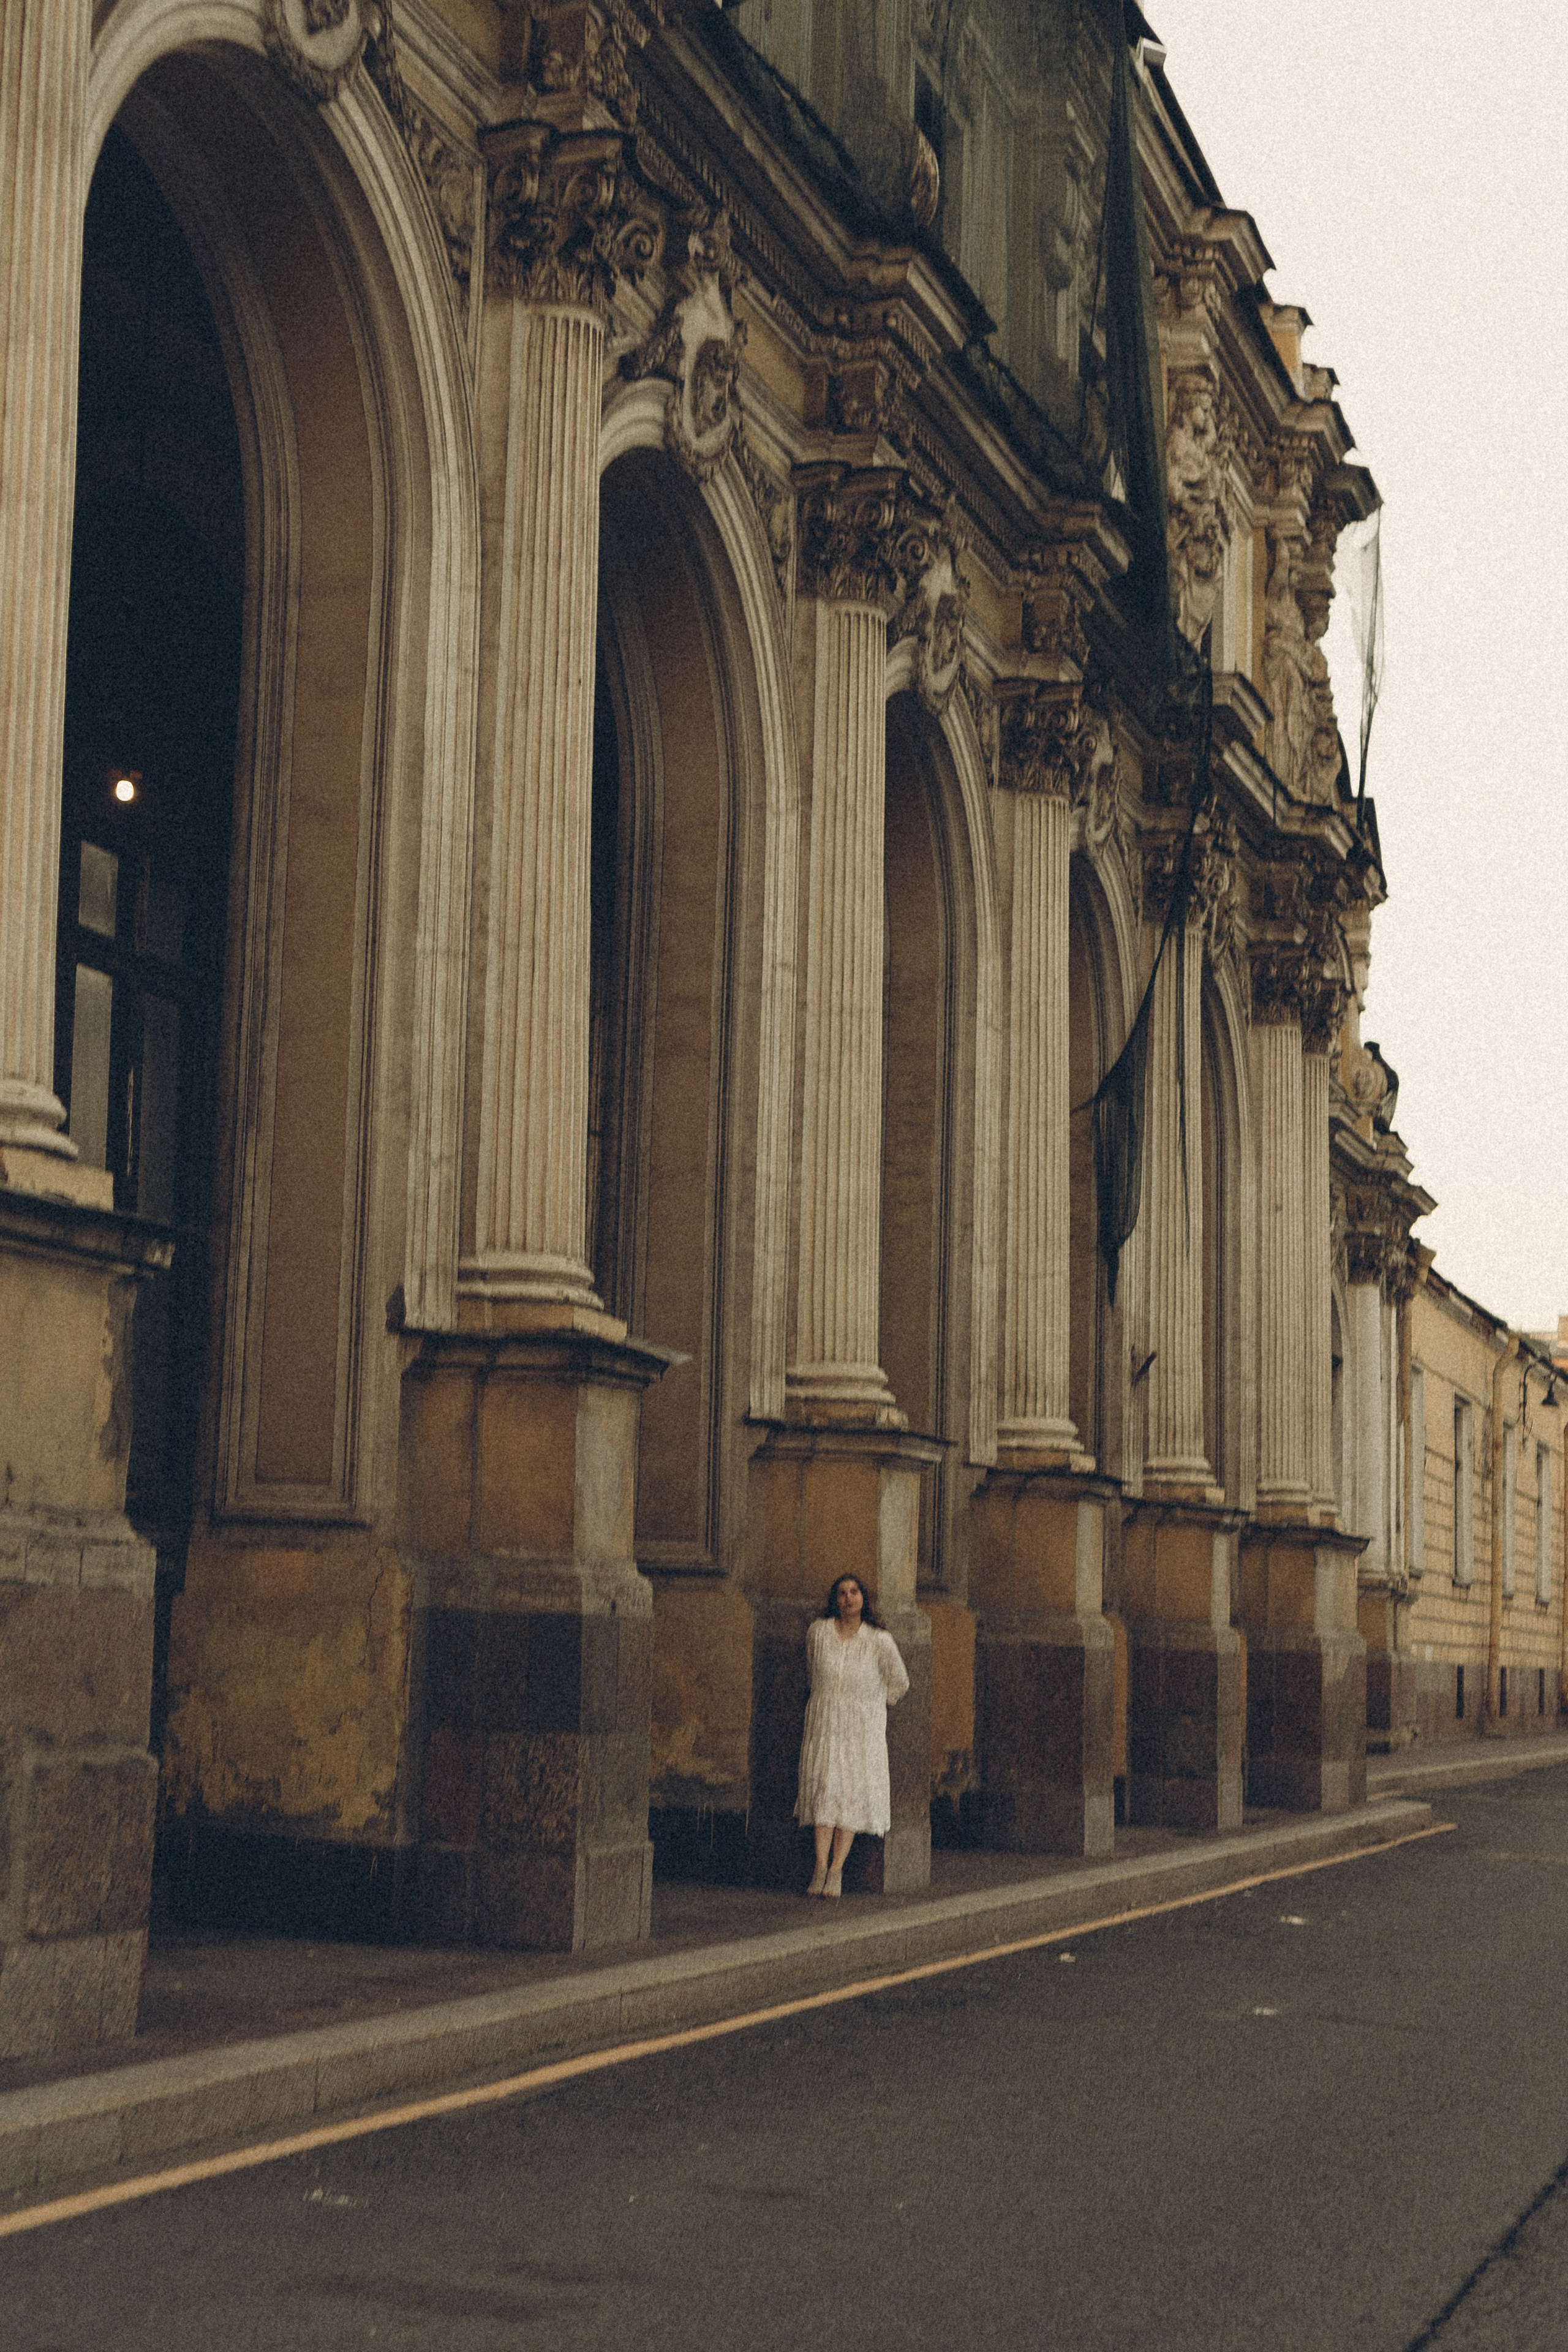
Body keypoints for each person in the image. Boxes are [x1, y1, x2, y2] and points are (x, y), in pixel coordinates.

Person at [795, 1573, 910, 1898]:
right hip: (826, 1724)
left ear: (864, 1598)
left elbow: (899, 1683)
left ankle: (836, 1870)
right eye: (842, 1593)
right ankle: (819, 1866)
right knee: (824, 1789)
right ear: (835, 1599)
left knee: (850, 1794)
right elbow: (812, 1672)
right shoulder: (818, 1632)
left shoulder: (879, 1640)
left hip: (861, 1730)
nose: (849, 1598)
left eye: (855, 1592)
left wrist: (872, 1706)